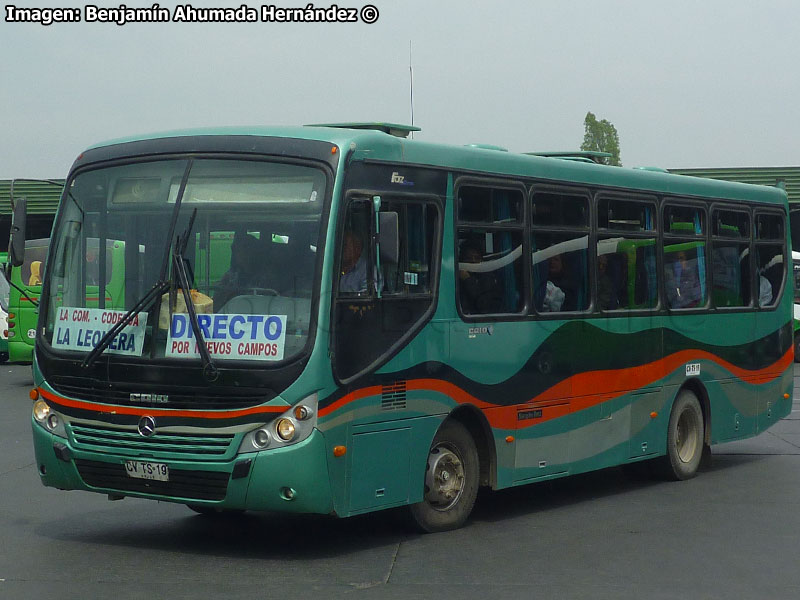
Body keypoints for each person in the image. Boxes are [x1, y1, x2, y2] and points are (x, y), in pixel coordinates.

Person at [213, 234, 268, 308]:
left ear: (254, 252)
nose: (238, 254)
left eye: (243, 250)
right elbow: (216, 305)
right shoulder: (230, 277)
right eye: (236, 251)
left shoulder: (267, 277)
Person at [458, 240, 502, 314]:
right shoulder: (455, 278)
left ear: (481, 260)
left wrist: (468, 280)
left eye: (477, 258)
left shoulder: (488, 278)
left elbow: (484, 306)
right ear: (462, 260)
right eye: (469, 258)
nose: (473, 261)